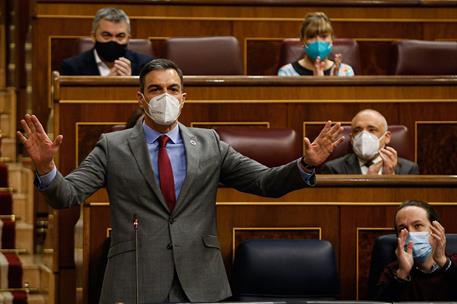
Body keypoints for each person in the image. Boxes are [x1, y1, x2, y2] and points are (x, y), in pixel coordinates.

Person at [18, 59, 343, 303]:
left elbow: (264, 182)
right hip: (134, 281)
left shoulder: (209, 143)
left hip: (201, 283)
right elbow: (67, 195)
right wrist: (47, 168)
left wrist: (305, 164)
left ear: (184, 97)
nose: (165, 96)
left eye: (173, 89)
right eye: (155, 89)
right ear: (140, 98)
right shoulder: (111, 146)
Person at [375, 200, 457, 300]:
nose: (411, 233)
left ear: (436, 229)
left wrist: (444, 262)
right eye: (403, 228)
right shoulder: (393, 271)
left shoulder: (453, 263)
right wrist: (402, 274)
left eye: (417, 226)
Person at [320, 109, 419, 175]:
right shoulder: (333, 169)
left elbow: (410, 204)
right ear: (351, 138)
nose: (363, 136)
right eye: (357, 130)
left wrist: (390, 177)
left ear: (387, 137)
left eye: (372, 130)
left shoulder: (408, 169)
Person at [60, 7, 154, 76]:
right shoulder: (72, 67)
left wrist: (129, 84)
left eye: (120, 36)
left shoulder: (146, 66)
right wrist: (106, 84)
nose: (113, 40)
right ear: (93, 36)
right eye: (106, 35)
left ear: (128, 38)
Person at [278, 12, 354, 77]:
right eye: (311, 37)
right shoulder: (286, 73)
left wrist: (333, 84)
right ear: (302, 41)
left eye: (324, 36)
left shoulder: (345, 72)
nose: (318, 42)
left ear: (332, 39)